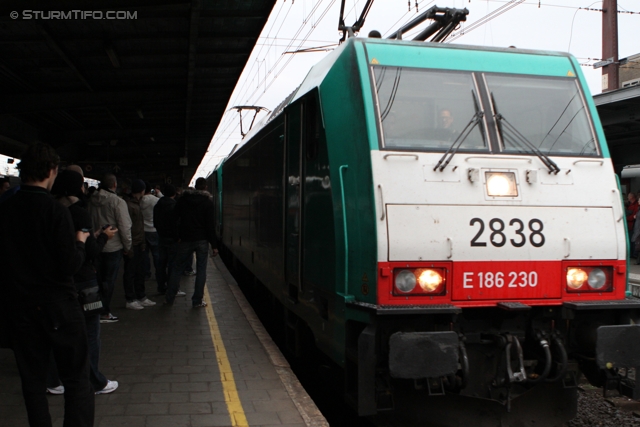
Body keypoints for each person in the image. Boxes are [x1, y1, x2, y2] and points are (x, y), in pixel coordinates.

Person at [0, 143, 94, 426]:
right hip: (59, 307)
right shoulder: (55, 211)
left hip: (20, 309)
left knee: (33, 383)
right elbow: (69, 265)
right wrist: (80, 242)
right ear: (52, 171)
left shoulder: (4, 209)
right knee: (77, 380)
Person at [48, 169, 119, 395]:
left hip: (58, 282)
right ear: (76, 188)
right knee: (90, 333)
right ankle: (94, 381)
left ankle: (54, 380)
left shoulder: (52, 210)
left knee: (58, 333)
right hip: (84, 283)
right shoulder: (80, 213)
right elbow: (89, 253)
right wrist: (103, 238)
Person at [165, 178, 219, 307]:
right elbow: (210, 226)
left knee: (177, 268)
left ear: (195, 187)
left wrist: (176, 236)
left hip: (185, 239)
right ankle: (197, 301)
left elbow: (173, 219)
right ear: (205, 187)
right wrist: (214, 246)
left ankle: (169, 299)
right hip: (202, 240)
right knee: (201, 270)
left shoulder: (183, 200)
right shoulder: (207, 203)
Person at [88, 173, 132, 323]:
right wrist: (128, 246)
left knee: (97, 280)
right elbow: (125, 227)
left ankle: (94, 310)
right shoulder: (118, 202)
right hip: (113, 247)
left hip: (95, 245)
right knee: (109, 281)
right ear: (114, 185)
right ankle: (104, 312)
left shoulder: (91, 200)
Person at [122, 179, 156, 310]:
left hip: (139, 242)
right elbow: (126, 227)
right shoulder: (129, 205)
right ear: (142, 190)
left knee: (140, 271)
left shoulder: (137, 203)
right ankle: (130, 299)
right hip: (132, 243)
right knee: (130, 272)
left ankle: (141, 296)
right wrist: (128, 246)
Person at [153, 184, 184, 297]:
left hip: (161, 238)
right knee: (173, 265)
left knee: (161, 264)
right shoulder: (174, 206)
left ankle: (161, 287)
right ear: (174, 194)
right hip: (172, 240)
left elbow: (155, 222)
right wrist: (178, 237)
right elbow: (177, 224)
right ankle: (173, 289)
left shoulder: (158, 205)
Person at [140, 182, 159, 281]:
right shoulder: (156, 200)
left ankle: (146, 273)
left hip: (143, 231)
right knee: (156, 254)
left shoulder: (138, 201)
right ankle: (158, 273)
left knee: (144, 254)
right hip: (154, 230)